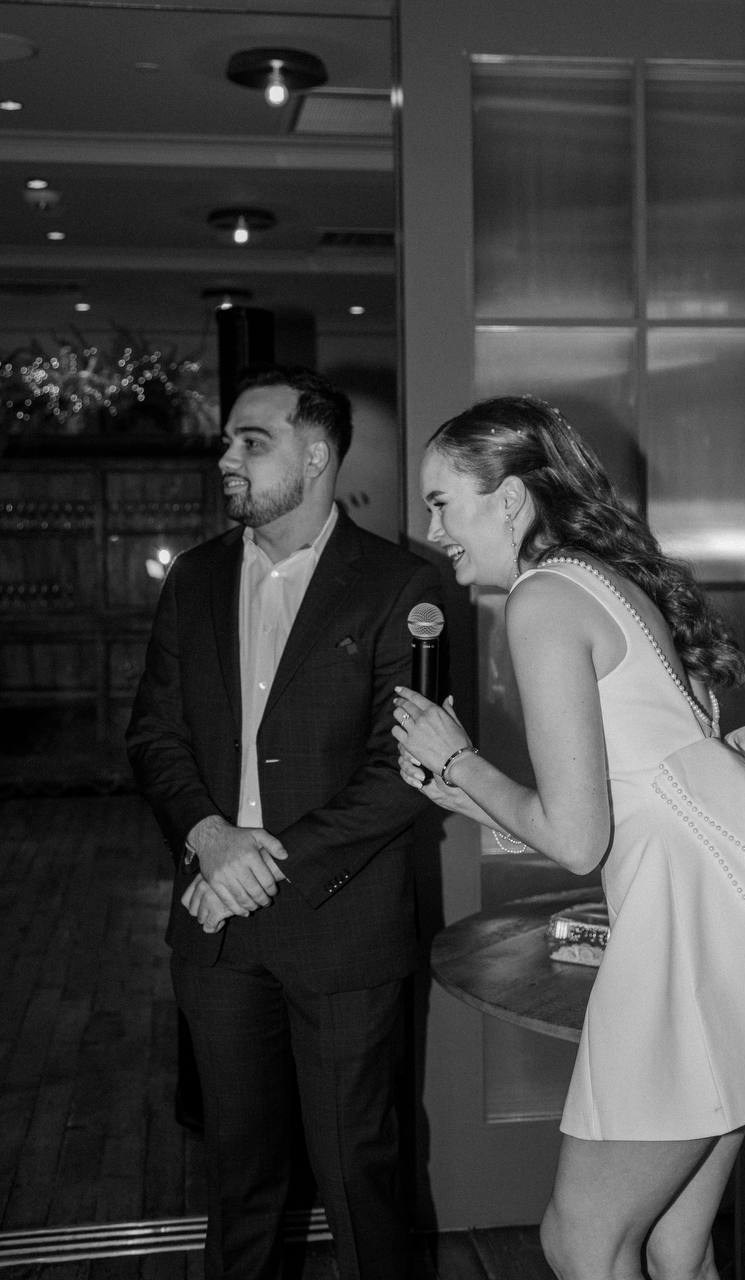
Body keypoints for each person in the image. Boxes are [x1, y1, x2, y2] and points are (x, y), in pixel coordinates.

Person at [391, 395, 745, 1280]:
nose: (432, 529)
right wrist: (460, 788)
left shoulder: (542, 600)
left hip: (688, 944)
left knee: (581, 1242)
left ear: (509, 500)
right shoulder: (607, 582)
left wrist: (461, 760)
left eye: (442, 502)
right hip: (733, 931)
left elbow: (577, 840)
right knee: (672, 1243)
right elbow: (633, 794)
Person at [126, 366, 442, 1280]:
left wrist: (261, 863)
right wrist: (209, 839)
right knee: (239, 1181)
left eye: (251, 442)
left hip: (343, 929)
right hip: (217, 933)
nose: (227, 458)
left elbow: (408, 770)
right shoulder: (194, 578)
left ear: (314, 456)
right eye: (227, 441)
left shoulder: (399, 585)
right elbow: (153, 735)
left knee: (359, 1175)